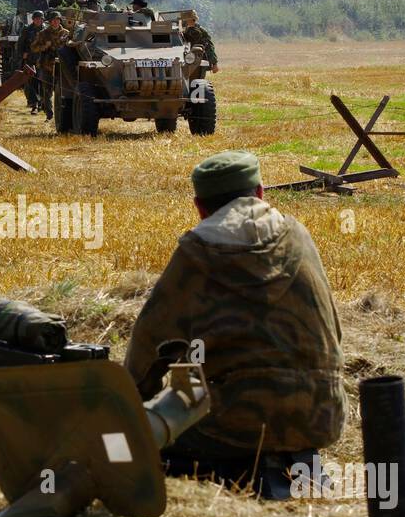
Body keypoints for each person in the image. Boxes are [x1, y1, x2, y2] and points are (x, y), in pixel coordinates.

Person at [124, 151, 346, 498]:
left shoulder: (195, 254)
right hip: (321, 417)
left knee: (132, 448)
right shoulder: (299, 236)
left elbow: (147, 351)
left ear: (200, 206)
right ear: (260, 193)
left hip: (234, 429)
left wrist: (133, 418)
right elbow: (335, 329)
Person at [29, 10, 72, 123]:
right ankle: (49, 115)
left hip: (62, 67)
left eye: (57, 20)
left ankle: (62, 116)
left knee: (63, 92)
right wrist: (44, 46)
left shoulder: (66, 33)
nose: (55, 22)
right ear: (49, 22)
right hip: (46, 65)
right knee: (46, 92)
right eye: (53, 20)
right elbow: (33, 47)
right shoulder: (43, 33)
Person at [16, 10, 46, 113]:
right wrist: (22, 54)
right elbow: (20, 44)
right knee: (30, 82)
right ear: (33, 19)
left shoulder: (46, 30)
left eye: (40, 19)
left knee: (42, 82)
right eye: (37, 19)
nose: (39, 21)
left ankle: (42, 102)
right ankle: (34, 103)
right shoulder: (27, 30)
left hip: (42, 60)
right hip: (30, 59)